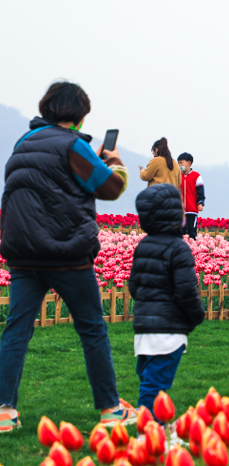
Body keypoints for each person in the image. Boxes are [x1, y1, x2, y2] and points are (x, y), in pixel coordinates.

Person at [0, 81, 137, 432]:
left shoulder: (22, 144)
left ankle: (4, 412)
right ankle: (110, 409)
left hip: (23, 256)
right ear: (79, 115)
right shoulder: (73, 145)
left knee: (16, 331)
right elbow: (111, 188)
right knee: (92, 328)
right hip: (67, 253)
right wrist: (115, 161)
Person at [128, 184, 205, 419]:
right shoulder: (179, 248)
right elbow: (186, 290)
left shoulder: (143, 246)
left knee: (150, 378)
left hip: (143, 330)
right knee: (154, 386)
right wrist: (196, 314)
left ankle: (160, 425)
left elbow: (133, 286)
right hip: (168, 331)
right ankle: (149, 431)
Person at [177, 152, 205, 239]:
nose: (180, 165)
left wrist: (201, 203)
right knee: (179, 234)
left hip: (191, 210)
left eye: (181, 162)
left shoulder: (196, 176)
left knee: (191, 233)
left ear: (189, 163)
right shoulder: (177, 176)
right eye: (179, 163)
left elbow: (200, 192)